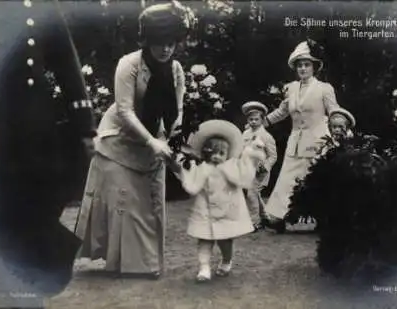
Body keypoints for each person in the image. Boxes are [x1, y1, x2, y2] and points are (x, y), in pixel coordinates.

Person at [0, 0, 96, 306]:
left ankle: (29, 295)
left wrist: (85, 127)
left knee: (35, 216)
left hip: (34, 132)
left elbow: (66, 62)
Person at [74, 2, 193, 278]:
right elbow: (125, 110)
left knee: (152, 203)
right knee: (127, 204)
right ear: (147, 40)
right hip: (118, 141)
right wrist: (152, 141)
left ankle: (148, 264)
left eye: (171, 43)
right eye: (159, 42)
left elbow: (178, 110)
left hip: (155, 142)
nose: (165, 49)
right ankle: (126, 265)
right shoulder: (128, 65)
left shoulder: (176, 70)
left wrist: (172, 144)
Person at [263, 41, 347, 233]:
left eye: (307, 64)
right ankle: (278, 218)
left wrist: (342, 130)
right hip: (296, 141)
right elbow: (283, 112)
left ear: (314, 67)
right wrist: (263, 123)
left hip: (318, 141)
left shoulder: (324, 88)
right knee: (287, 178)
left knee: (315, 180)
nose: (303, 68)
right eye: (300, 65)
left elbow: (334, 112)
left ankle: (325, 219)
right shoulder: (291, 88)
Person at [173, 120, 265, 282]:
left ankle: (226, 260)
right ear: (205, 153)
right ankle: (204, 267)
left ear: (227, 154)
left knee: (225, 240)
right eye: (212, 153)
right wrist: (178, 163)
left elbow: (244, 175)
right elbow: (190, 179)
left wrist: (251, 153)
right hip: (205, 210)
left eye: (221, 153)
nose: (216, 157)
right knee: (204, 239)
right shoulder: (202, 168)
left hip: (226, 210)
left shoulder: (231, 167)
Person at [241, 101, 278, 231]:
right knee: (254, 194)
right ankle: (265, 217)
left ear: (262, 120)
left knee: (251, 194)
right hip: (248, 168)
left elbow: (273, 156)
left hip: (260, 170)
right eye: (251, 119)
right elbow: (242, 150)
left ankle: (255, 222)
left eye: (257, 119)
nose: (253, 122)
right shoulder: (245, 134)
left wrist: (264, 166)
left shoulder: (266, 136)